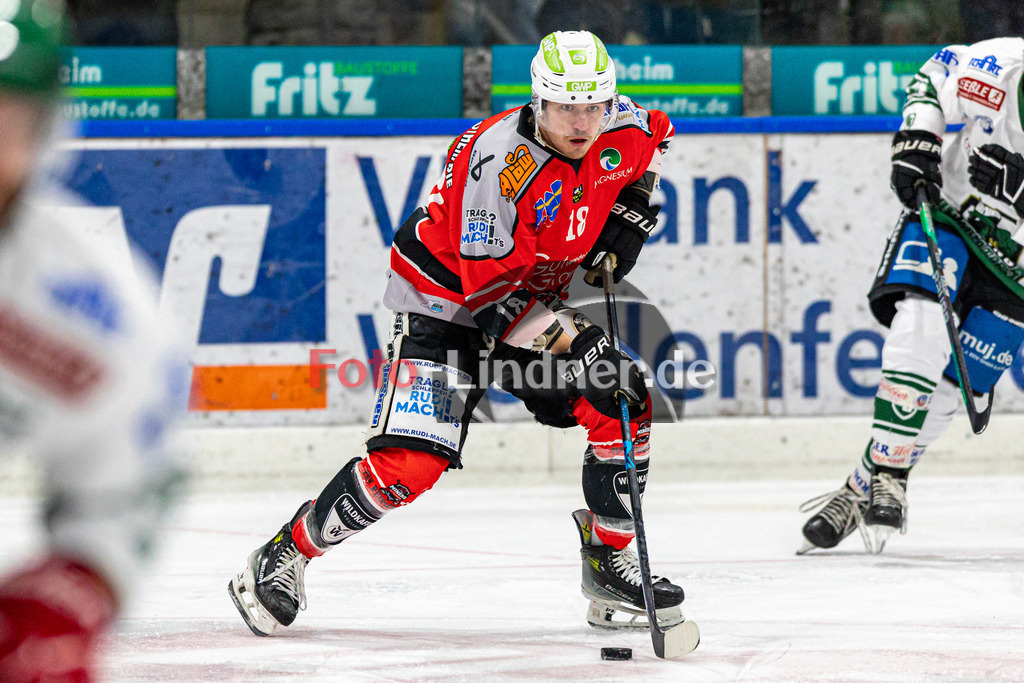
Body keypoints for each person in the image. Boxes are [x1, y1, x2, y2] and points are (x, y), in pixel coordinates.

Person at [230, 30, 688, 636]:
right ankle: (287, 551)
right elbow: (494, 301)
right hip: (448, 306)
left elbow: (654, 142)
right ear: (537, 102)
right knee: (408, 467)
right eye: (565, 107)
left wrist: (632, 211)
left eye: (592, 106)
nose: (581, 121)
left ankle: (608, 564)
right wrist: (580, 342)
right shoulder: (498, 166)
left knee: (622, 402)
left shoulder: (619, 123)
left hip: (531, 298)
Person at [0, 2, 186, 680]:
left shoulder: (82, 296)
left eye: (4, 117)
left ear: (43, 131)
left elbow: (132, 473)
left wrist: (77, 586)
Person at [799, 37, 1024, 554]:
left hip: (1017, 268)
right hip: (952, 215)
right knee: (921, 328)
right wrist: (920, 137)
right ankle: (893, 474)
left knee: (958, 387)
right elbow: (936, 71)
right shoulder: (999, 68)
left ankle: (862, 485)